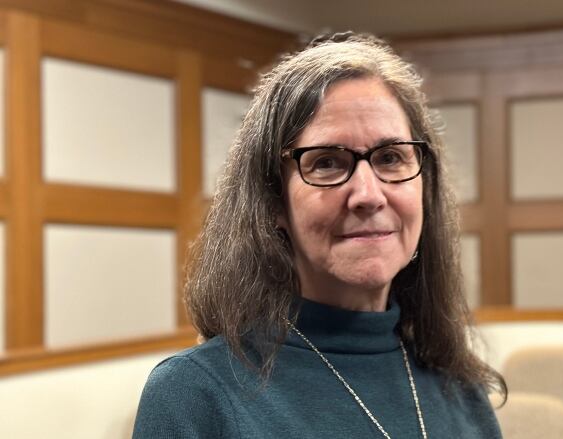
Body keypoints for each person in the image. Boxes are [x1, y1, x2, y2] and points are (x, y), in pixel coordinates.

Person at [133, 32, 505, 439]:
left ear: (424, 189)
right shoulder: (196, 395)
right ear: (273, 202)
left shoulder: (461, 388)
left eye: (391, 157)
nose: (368, 194)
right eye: (327, 162)